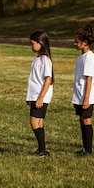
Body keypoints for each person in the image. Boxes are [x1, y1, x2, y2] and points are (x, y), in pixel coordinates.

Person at [71, 25, 94, 157]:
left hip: (86, 96)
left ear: (85, 42)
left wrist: (86, 98)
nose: (74, 44)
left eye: (77, 41)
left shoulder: (89, 58)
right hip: (79, 95)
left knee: (87, 120)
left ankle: (88, 149)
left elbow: (89, 80)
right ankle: (84, 147)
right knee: (82, 120)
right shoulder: (80, 57)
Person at [25, 30, 54, 158]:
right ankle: (42, 149)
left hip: (40, 97)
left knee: (34, 123)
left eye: (33, 44)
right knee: (39, 123)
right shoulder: (37, 59)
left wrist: (40, 97)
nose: (31, 46)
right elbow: (34, 79)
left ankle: (42, 150)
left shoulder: (45, 60)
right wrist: (29, 97)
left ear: (40, 43)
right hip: (35, 96)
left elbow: (48, 79)